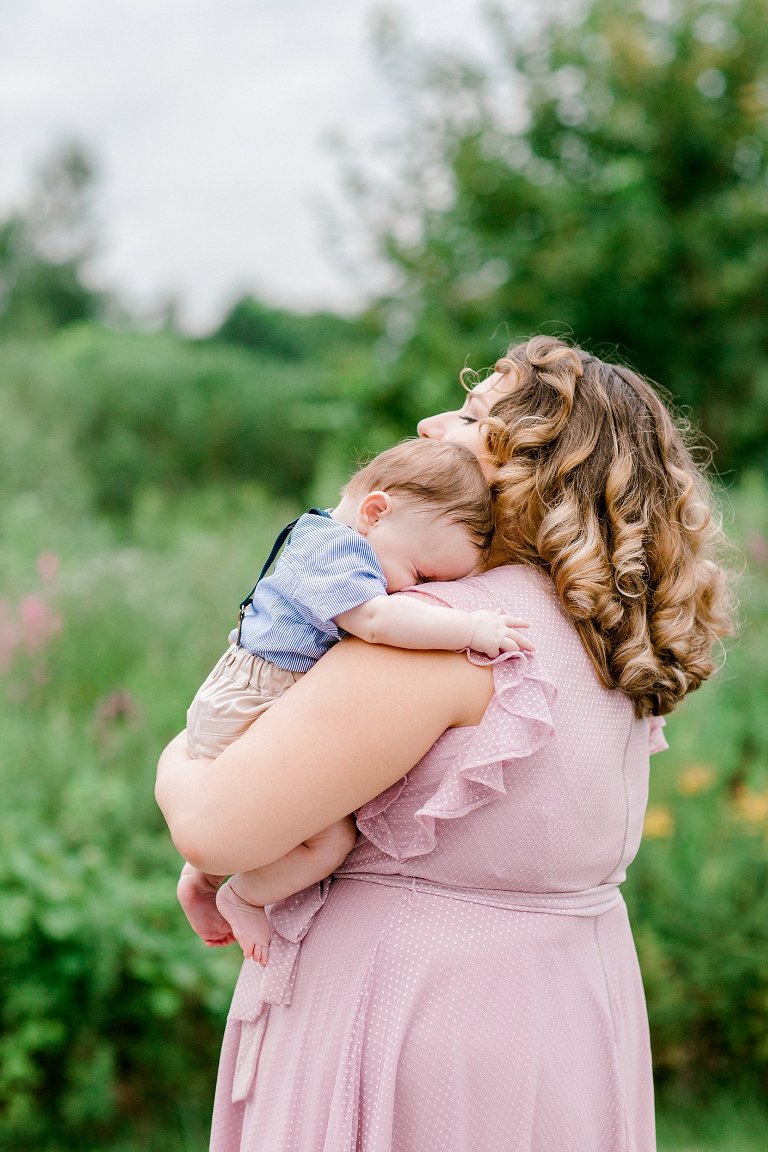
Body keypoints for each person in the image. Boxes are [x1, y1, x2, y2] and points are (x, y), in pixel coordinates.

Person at [156, 335, 735, 1152]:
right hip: (563, 1020)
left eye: (468, 418)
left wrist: (176, 757)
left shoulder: (447, 636)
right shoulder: (603, 633)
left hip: (413, 1031)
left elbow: (212, 825)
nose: (429, 426)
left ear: (535, 467)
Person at [177, 438, 531, 965]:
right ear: (375, 512)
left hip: (253, 694)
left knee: (259, 810)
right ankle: (241, 894)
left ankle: (201, 879)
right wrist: (469, 627)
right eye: (421, 574)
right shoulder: (338, 553)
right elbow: (377, 621)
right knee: (326, 841)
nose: (415, 592)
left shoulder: (326, 535)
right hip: (256, 700)